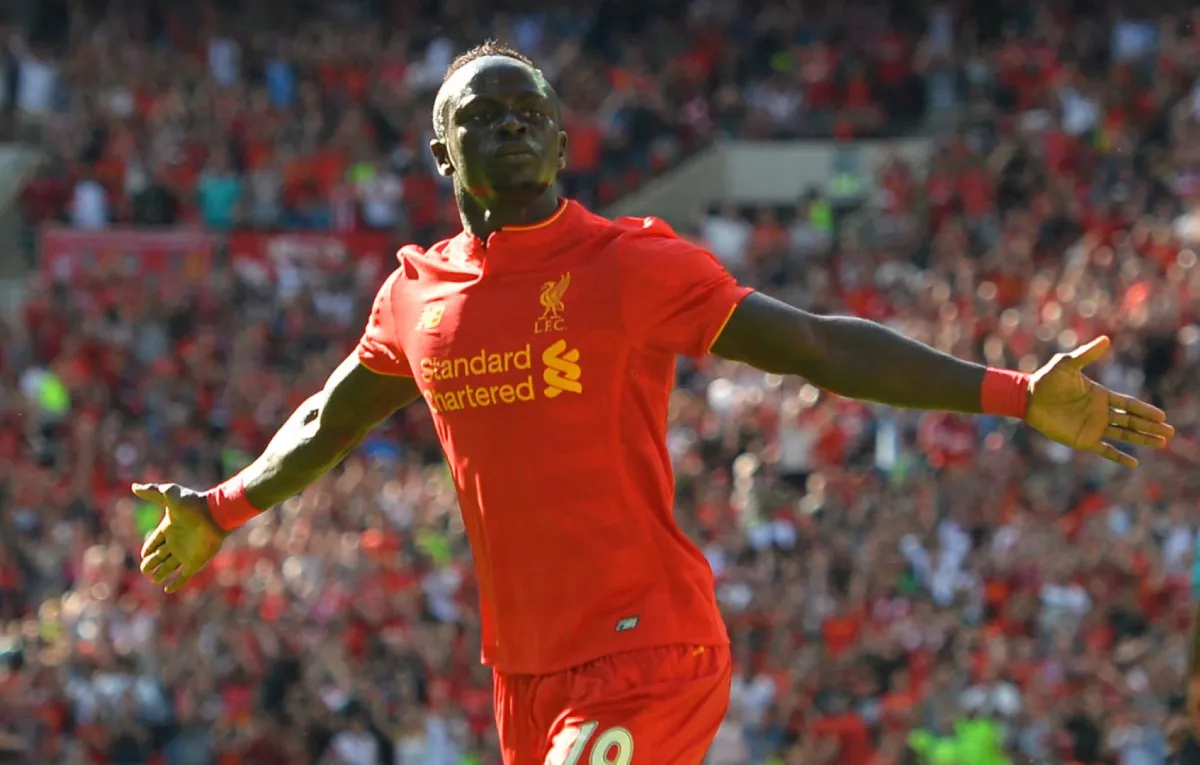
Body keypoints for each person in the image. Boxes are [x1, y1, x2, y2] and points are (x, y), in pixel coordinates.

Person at [132, 41, 1175, 765]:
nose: (509, 127)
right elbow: (332, 416)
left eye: (528, 114)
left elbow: (813, 345)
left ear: (560, 145)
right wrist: (223, 510)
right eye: (480, 117)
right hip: (524, 670)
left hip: (647, 648)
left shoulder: (629, 265)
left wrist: (1009, 393)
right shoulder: (414, 294)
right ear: (442, 154)